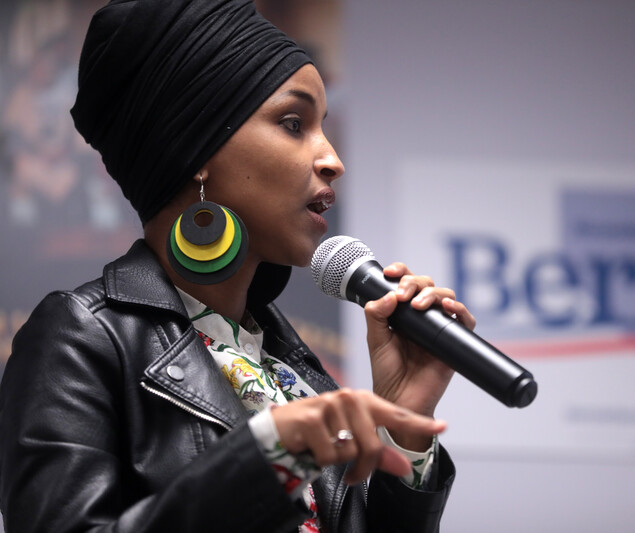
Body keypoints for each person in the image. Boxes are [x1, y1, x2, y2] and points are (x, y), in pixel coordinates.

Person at [0, 0, 476, 531]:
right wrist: (266, 460)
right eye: (294, 123)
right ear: (196, 145)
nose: (333, 159)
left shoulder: (288, 364)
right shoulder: (81, 337)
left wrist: (404, 427)